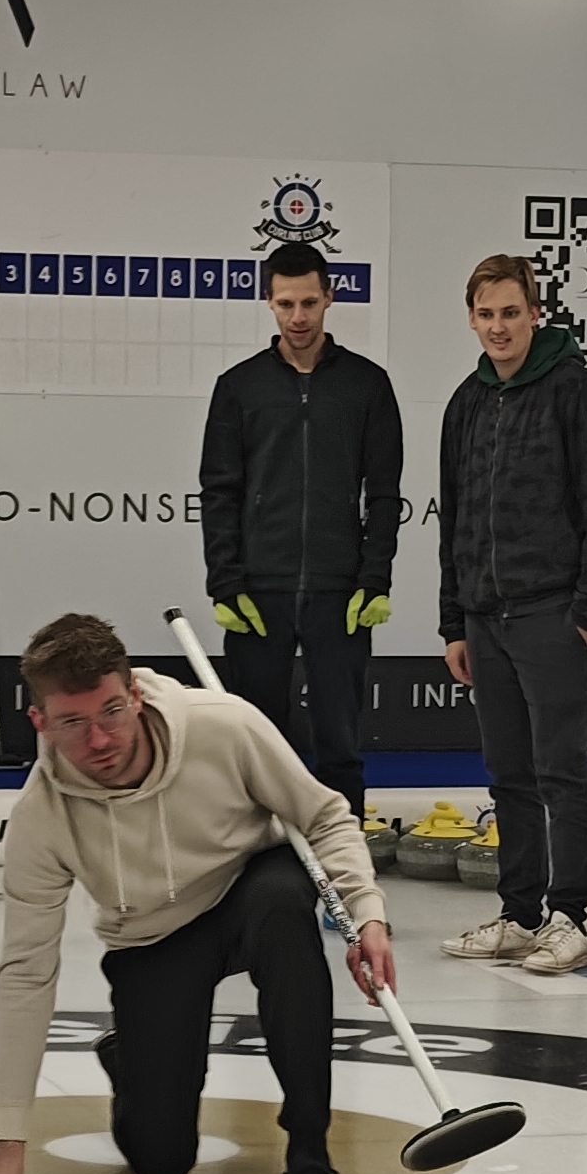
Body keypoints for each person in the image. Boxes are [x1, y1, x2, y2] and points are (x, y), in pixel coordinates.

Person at [0, 611, 395, 1174]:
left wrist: (366, 912)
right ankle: (132, 1061)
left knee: (287, 904)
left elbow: (326, 817)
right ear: (39, 722)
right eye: (73, 723)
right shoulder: (41, 818)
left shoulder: (223, 725)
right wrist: (9, 1141)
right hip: (154, 936)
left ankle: (310, 1161)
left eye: (112, 712)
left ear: (135, 694)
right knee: (160, 1164)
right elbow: (25, 974)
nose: (100, 740)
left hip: (251, 891)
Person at [436, 253, 587, 979]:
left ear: (534, 313)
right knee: (509, 775)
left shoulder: (574, 390)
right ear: (471, 319)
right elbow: (455, 519)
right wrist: (454, 621)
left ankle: (569, 919)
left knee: (561, 771)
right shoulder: (466, 401)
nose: (498, 328)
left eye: (510, 313)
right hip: (484, 619)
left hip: (552, 615)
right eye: (485, 315)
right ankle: (520, 915)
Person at [198, 240, 406, 818]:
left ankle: (344, 869)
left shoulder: (368, 385)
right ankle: (259, 863)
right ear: (267, 301)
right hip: (257, 593)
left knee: (339, 746)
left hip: (340, 594)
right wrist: (225, 583)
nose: (298, 317)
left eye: (309, 302)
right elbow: (219, 492)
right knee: (257, 742)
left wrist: (375, 578)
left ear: (330, 299)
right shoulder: (238, 387)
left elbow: (384, 495)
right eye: (286, 303)